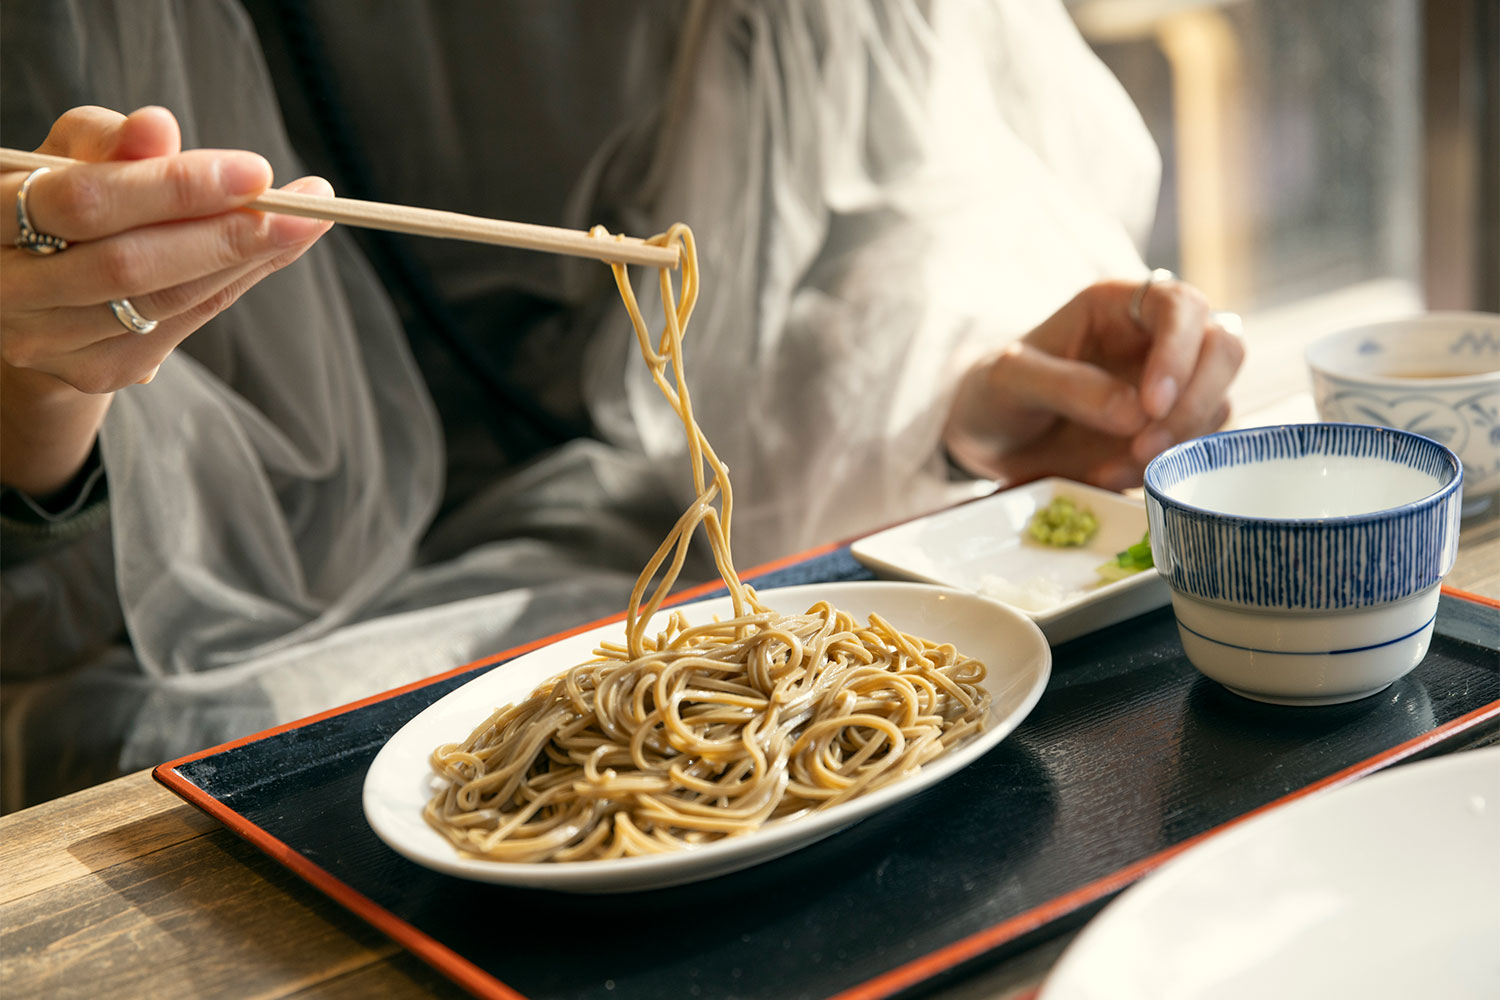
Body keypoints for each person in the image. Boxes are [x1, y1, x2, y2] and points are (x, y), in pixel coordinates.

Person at [0, 0, 1243, 808]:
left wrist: (964, 389)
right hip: (211, 639)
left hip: (707, 541)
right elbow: (51, 605)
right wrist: (42, 375)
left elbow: (874, 219)